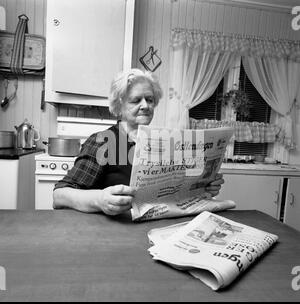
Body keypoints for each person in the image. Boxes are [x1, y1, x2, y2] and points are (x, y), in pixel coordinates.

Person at [53, 68, 224, 216]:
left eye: (149, 100)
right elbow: (59, 196)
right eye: (136, 100)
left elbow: (175, 193)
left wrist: (204, 188)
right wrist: (99, 200)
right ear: (119, 106)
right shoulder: (103, 142)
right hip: (114, 233)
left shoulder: (165, 142)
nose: (145, 106)